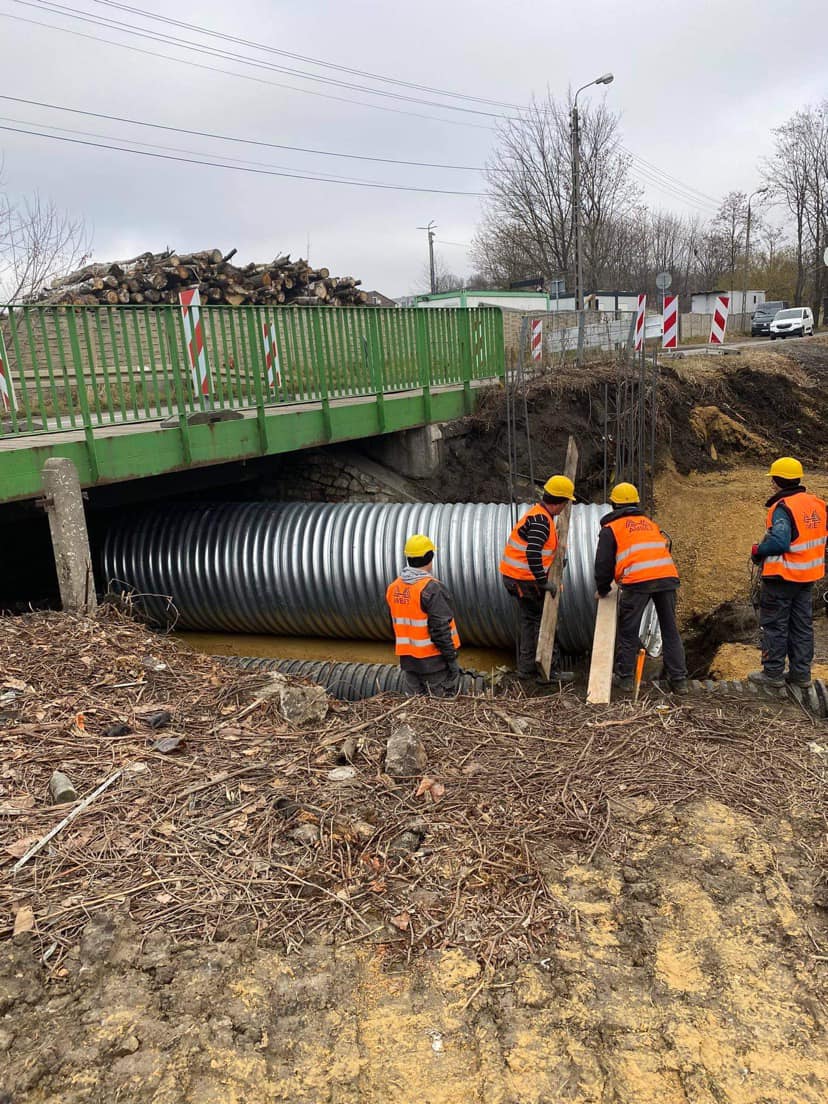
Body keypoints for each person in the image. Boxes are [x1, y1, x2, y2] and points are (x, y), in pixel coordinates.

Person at [594, 482, 688, 694]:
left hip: (637, 580)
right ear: (636, 503)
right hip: (666, 577)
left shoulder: (611, 528)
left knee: (629, 630)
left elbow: (602, 564)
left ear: (613, 504)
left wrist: (602, 589)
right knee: (670, 630)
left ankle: (625, 678)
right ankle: (679, 680)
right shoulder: (649, 523)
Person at [748, 457, 827, 689]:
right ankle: (801, 675)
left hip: (783, 577)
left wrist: (758, 550)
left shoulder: (783, 508)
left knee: (775, 624)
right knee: (802, 625)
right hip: (808, 576)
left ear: (777, 481)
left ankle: (772, 673)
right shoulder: (817, 503)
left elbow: (780, 542)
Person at [498, 476, 576, 683]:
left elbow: (538, 552)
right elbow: (532, 553)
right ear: (560, 502)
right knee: (546, 622)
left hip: (517, 579)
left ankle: (526, 670)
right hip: (524, 580)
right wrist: (543, 581)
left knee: (529, 621)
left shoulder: (538, 515)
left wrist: (552, 564)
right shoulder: (542, 521)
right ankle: (550, 671)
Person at [386, 533, 461, 697]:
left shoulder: (394, 588)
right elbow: (440, 629)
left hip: (409, 661)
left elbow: (393, 626)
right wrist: (451, 659)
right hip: (433, 661)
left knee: (415, 708)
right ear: (430, 556)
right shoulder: (431, 588)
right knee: (441, 706)